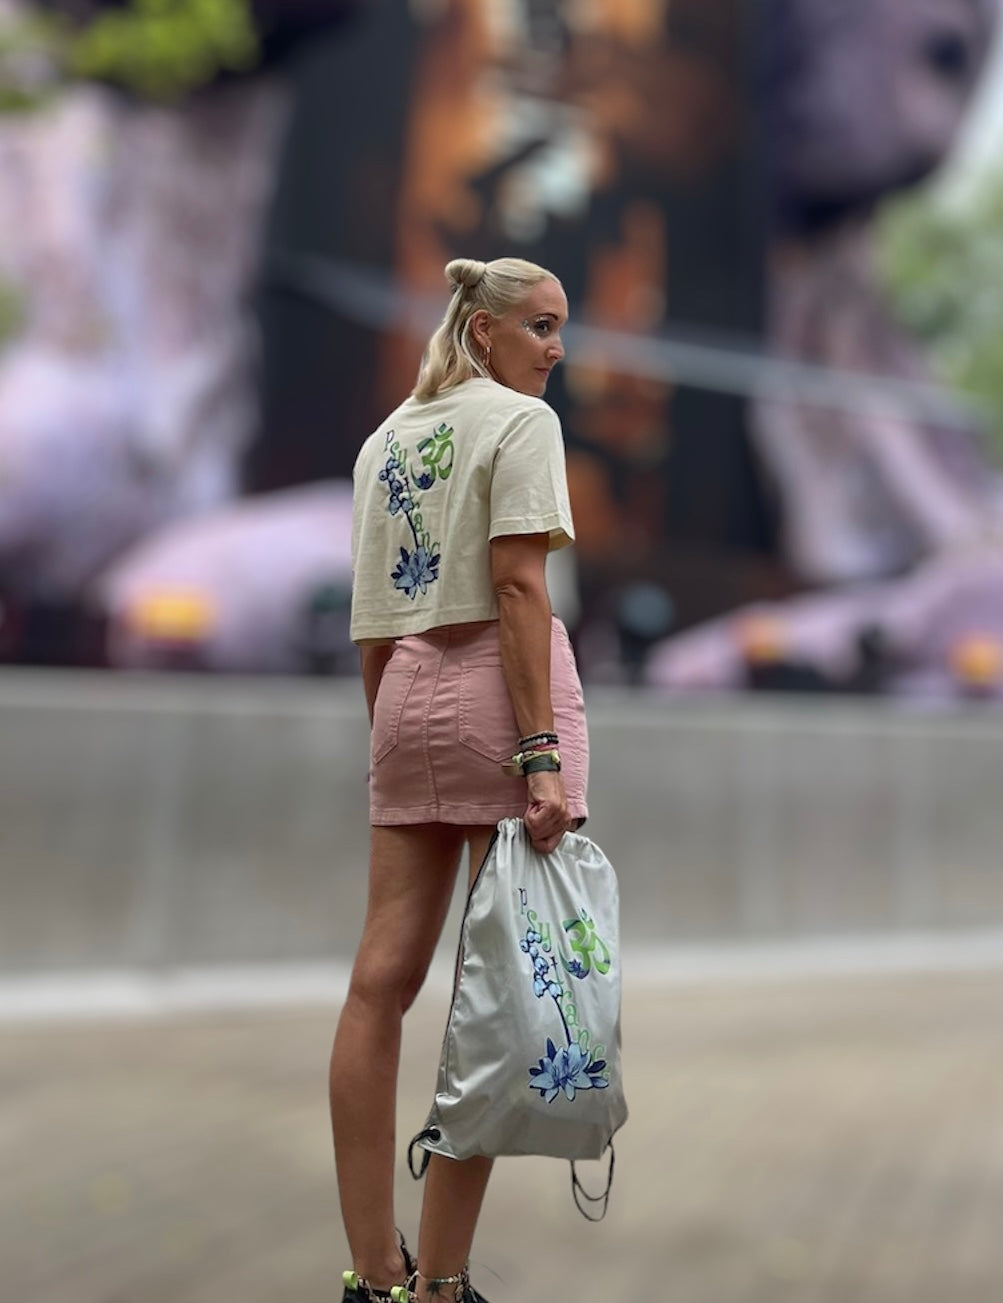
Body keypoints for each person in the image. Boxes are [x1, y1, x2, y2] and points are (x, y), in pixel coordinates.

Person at [329, 256, 589, 1303]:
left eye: (562, 328)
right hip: (501, 697)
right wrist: (538, 753)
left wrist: (396, 731)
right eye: (539, 326)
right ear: (483, 332)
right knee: (494, 996)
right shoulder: (520, 425)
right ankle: (436, 1286)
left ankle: (370, 1271)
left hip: (404, 695)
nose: (557, 349)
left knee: (376, 985)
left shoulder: (385, 438)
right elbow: (521, 585)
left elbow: (371, 624)